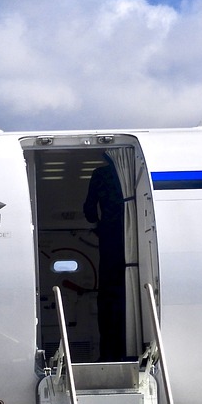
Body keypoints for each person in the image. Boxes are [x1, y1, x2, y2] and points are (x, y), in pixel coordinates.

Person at [83, 151, 127, 360]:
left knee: (108, 291)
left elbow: (89, 208)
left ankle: (109, 352)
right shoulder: (130, 173)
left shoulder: (100, 174)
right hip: (130, 234)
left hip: (110, 235)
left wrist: (95, 225)